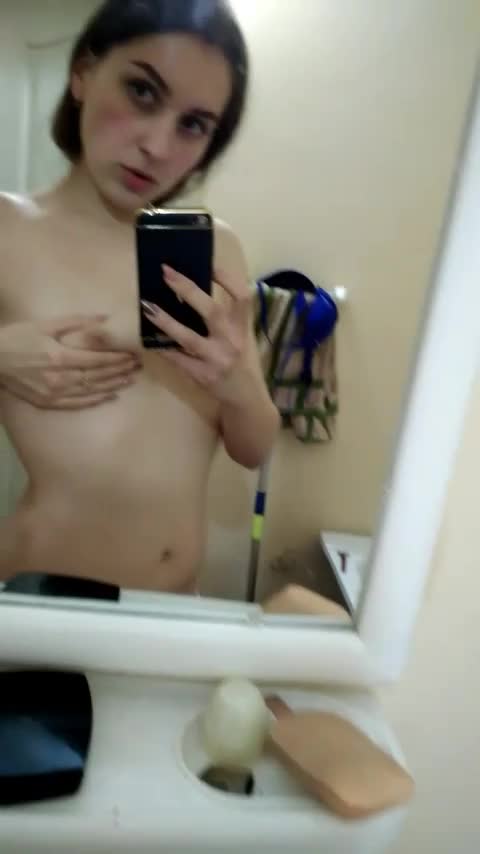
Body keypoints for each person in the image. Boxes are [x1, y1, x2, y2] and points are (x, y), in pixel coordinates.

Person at [0, 0, 279, 594]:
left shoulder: (218, 251)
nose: (157, 146)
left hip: (172, 602)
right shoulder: (7, 228)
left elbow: (254, 449)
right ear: (83, 73)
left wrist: (238, 381)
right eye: (143, 92)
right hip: (41, 599)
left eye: (193, 125)